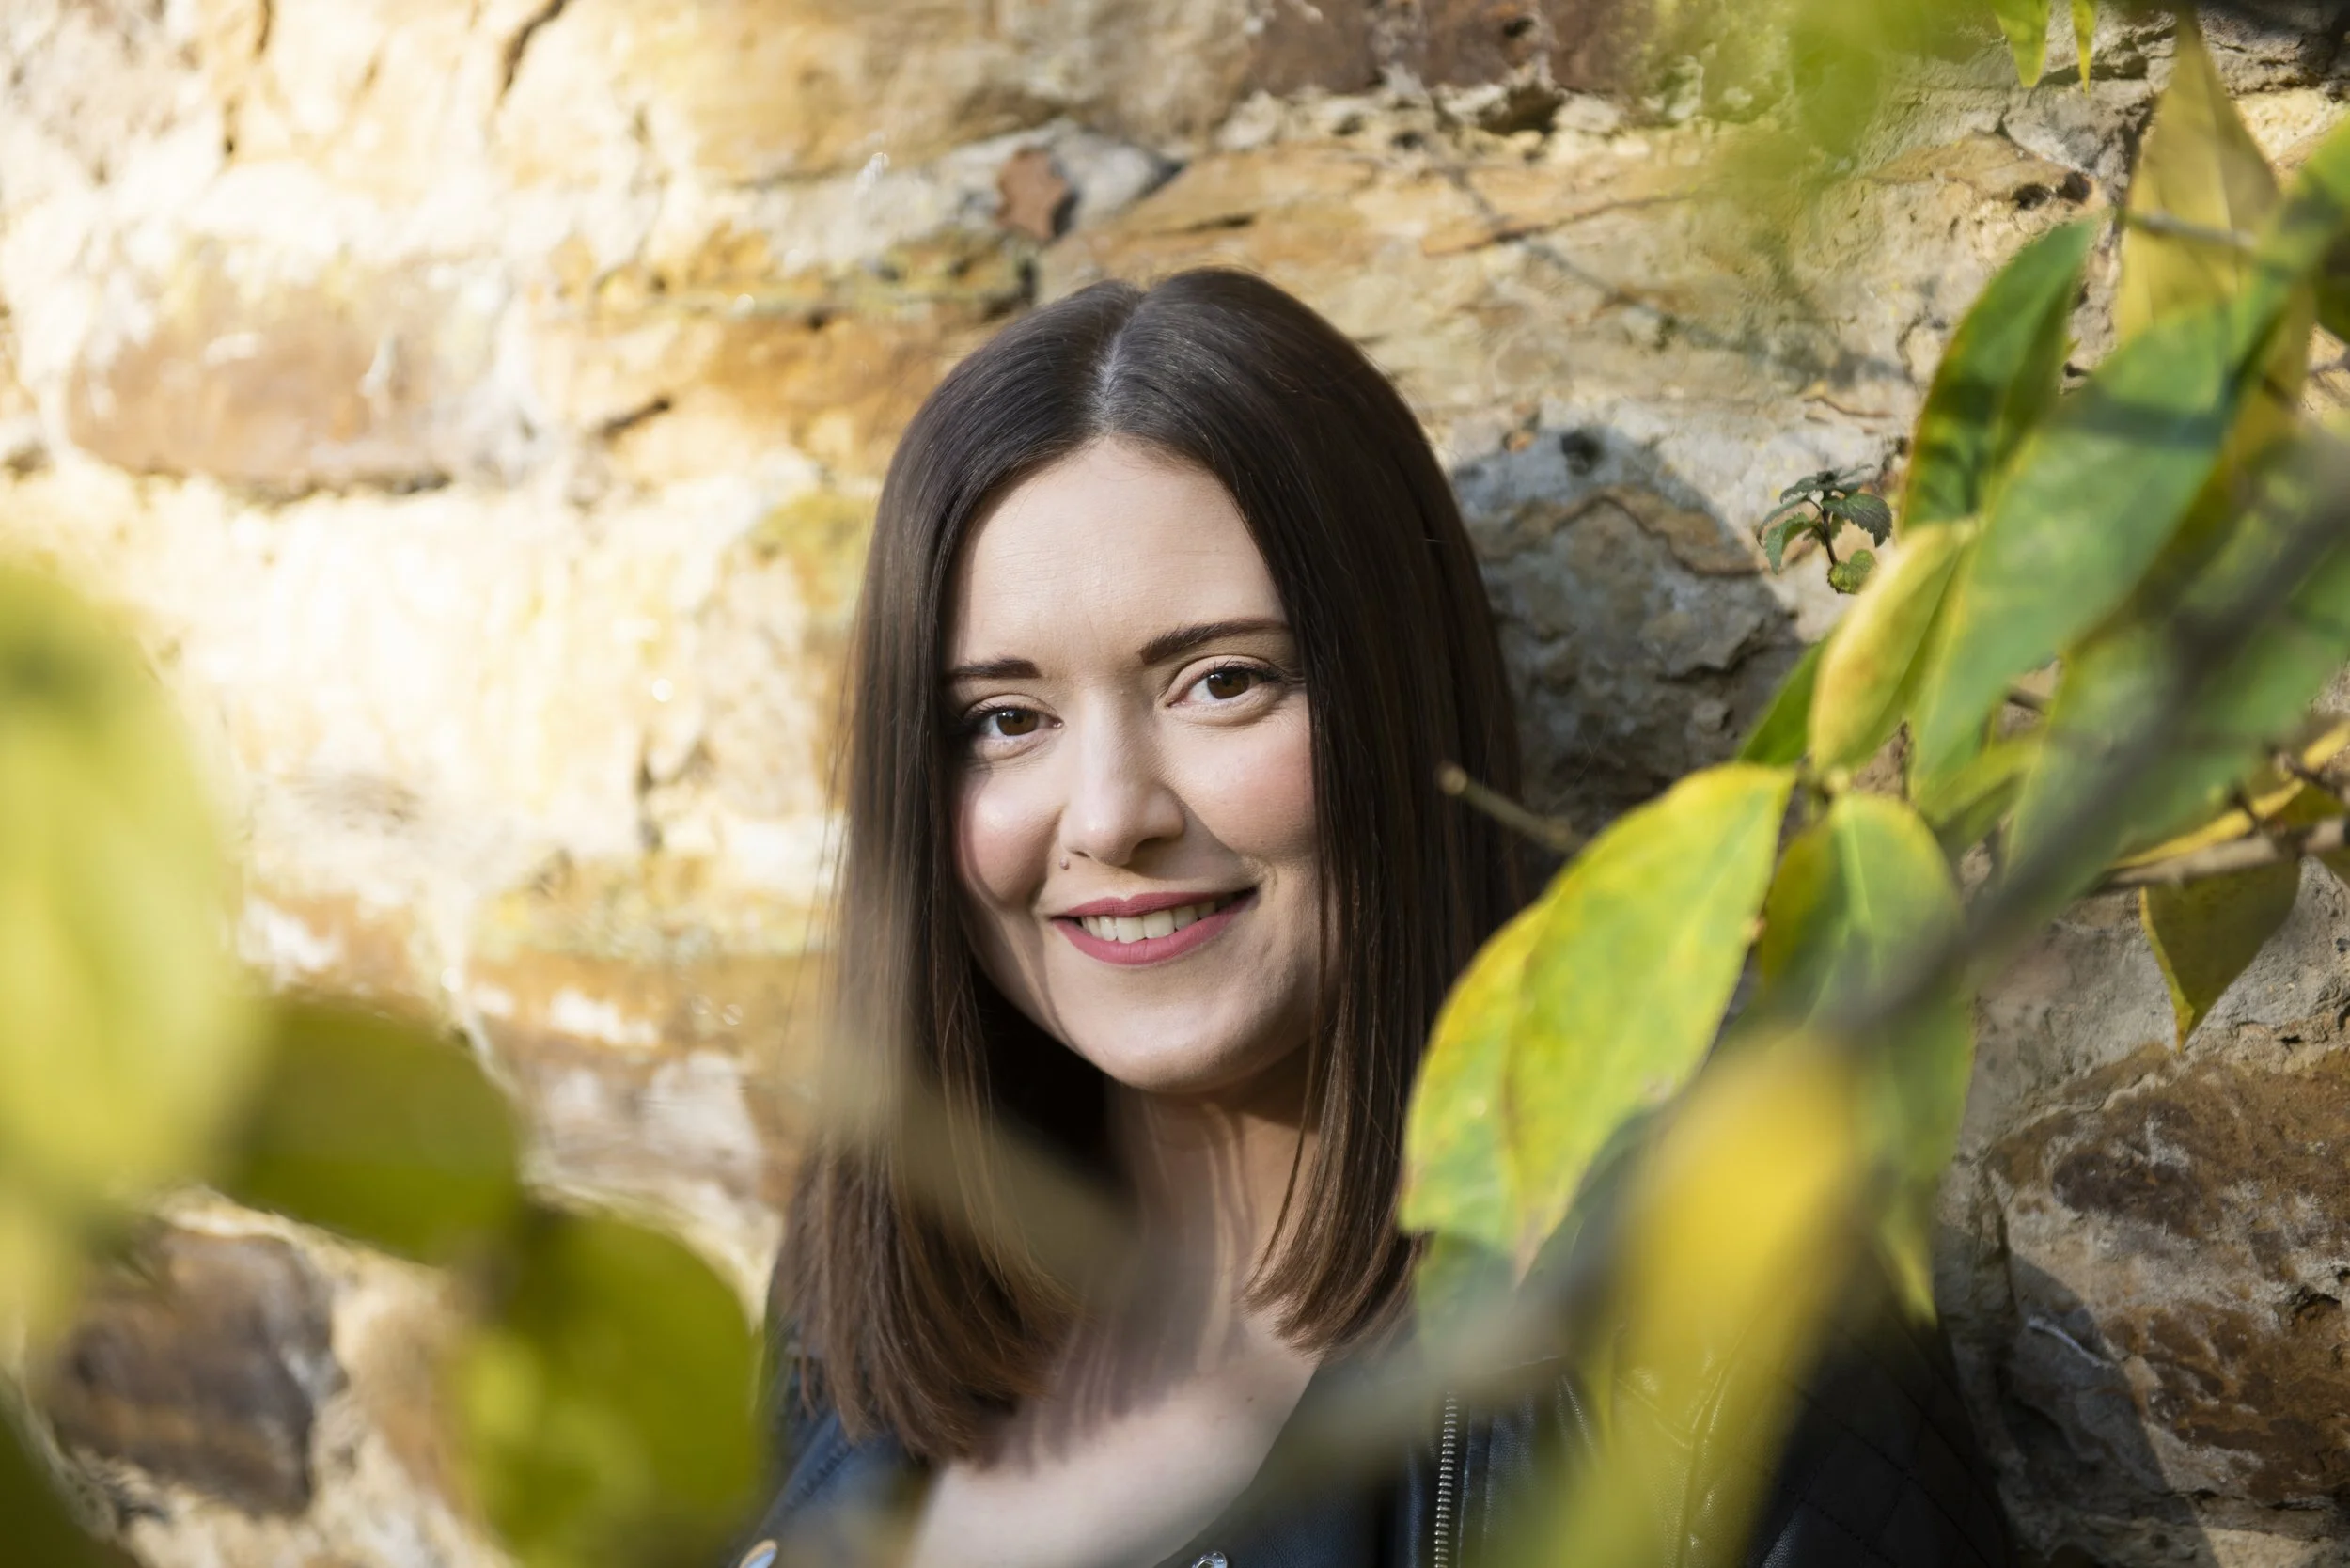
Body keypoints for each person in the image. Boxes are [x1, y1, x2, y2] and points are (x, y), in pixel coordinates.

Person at [730, 269, 2014, 1568]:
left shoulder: (1699, 1311)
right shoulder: (852, 1292)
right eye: (1007, 720)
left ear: (1401, 709)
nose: (1111, 815)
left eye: (1223, 682)